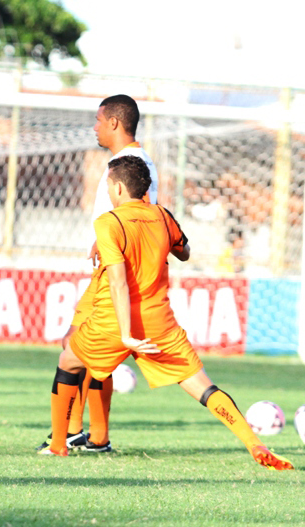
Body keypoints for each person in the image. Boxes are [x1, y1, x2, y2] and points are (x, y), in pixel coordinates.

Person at [39, 155, 292, 470]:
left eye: (107, 186)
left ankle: (59, 445)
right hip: (160, 323)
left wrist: (126, 334)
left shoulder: (109, 222)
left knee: (68, 362)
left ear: (117, 188)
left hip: (113, 322)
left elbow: (118, 282)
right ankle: (255, 444)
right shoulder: (162, 215)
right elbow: (184, 252)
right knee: (203, 386)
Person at [40, 94, 159, 453]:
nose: (93, 127)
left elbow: (145, 213)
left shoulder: (131, 162)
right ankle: (89, 434)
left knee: (81, 347)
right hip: (107, 266)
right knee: (79, 347)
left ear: (113, 123)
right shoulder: (129, 159)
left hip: (114, 272)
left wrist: (112, 246)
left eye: (97, 120)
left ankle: (87, 433)